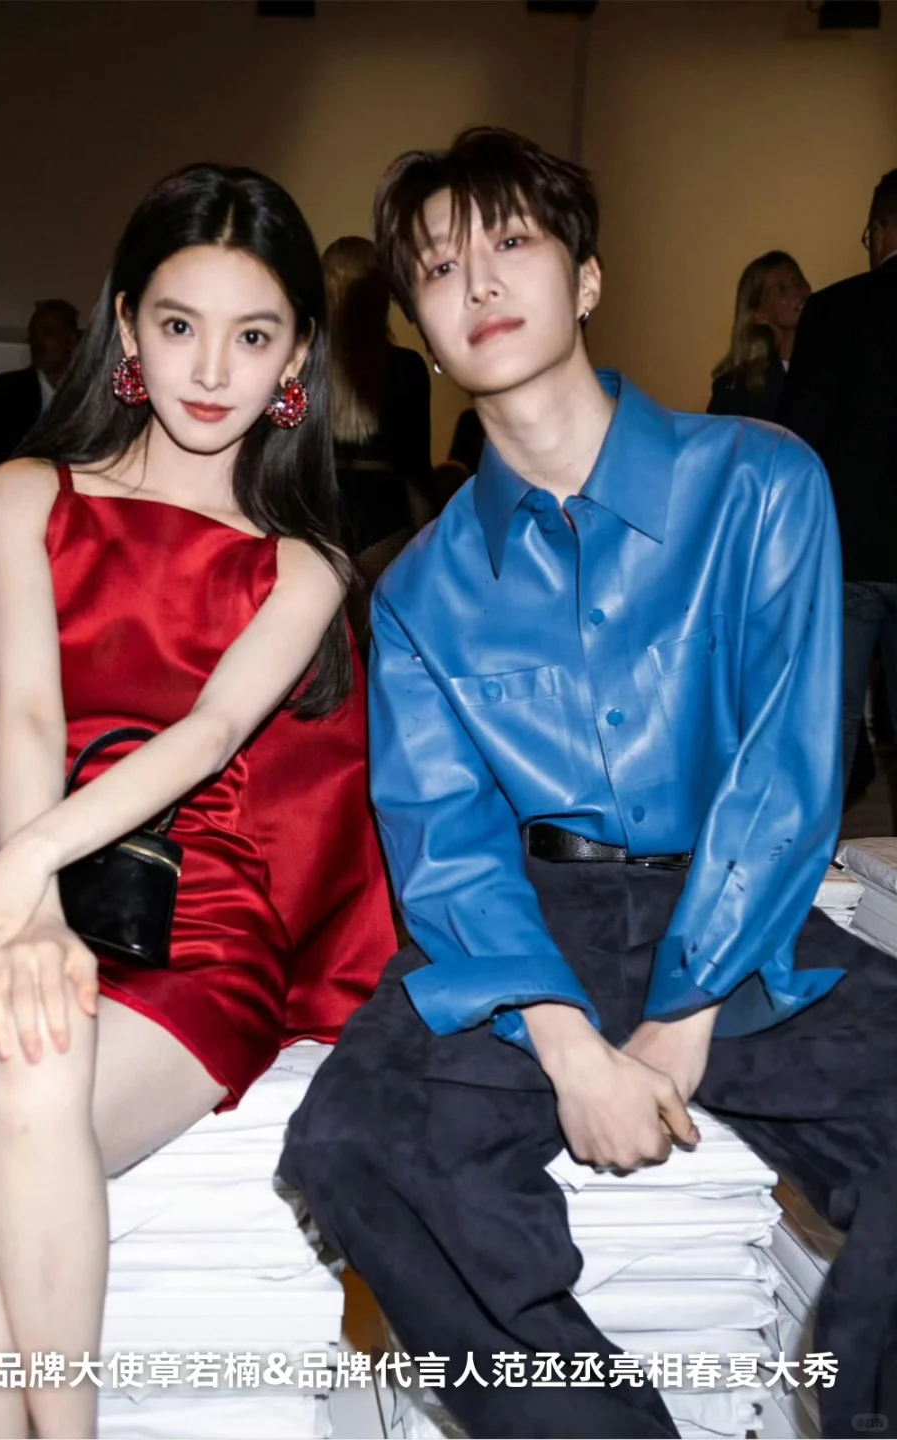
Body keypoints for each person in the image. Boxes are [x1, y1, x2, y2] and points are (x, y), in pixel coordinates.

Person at [280, 127, 897, 1439]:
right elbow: (447, 843)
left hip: (739, 902)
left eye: (512, 242)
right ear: (420, 332)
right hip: (533, 920)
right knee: (357, 1144)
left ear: (588, 278)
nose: (479, 282)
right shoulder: (420, 590)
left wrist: (685, 1009)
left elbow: (785, 767)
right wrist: (566, 1044)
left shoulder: (760, 481)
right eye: (438, 267)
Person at [0, 163, 394, 1439]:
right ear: (126, 325)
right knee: (1, 1075)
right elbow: (27, 713)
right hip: (20, 879)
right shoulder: (29, 491)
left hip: (204, 932)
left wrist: (23, 874)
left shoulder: (304, 562)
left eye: (253, 336)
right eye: (180, 324)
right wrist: (29, 901)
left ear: (298, 354)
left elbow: (210, 732)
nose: (211, 369)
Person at [778, 170, 897, 800]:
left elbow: (801, 439)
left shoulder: (833, 310)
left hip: (848, 550)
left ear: (881, 229)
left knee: (832, 725)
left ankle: (814, 852)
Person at [322, 236, 432, 591]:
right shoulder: (406, 368)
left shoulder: (301, 371)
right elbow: (417, 471)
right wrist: (431, 547)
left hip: (317, 517)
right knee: (393, 620)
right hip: (383, 516)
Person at [0, 299, 81, 471]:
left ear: (71, 340)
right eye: (33, 333)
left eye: (47, 332)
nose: (37, 342)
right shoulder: (8, 388)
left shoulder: (89, 389)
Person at [707, 250, 809, 421]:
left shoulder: (838, 356)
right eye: (781, 289)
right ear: (759, 314)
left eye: (797, 280)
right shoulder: (737, 388)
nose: (797, 291)